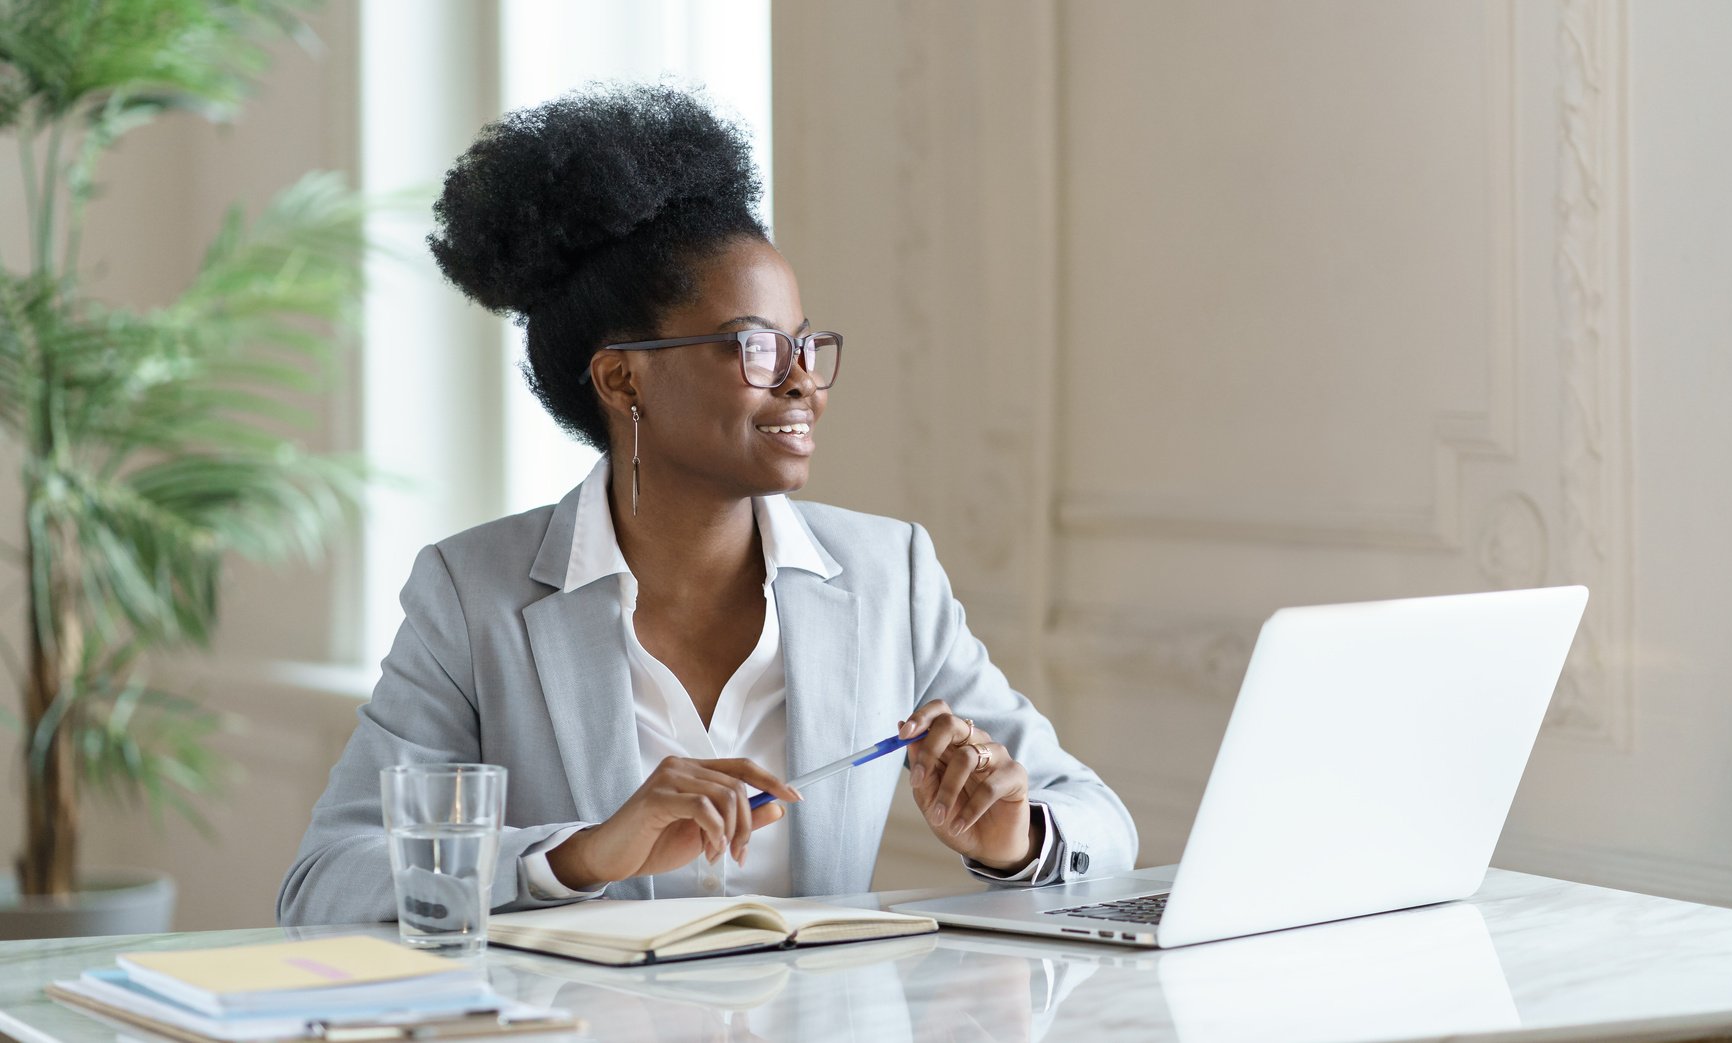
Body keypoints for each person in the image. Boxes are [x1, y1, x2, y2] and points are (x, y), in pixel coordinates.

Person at [277, 84, 1136, 923]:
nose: (802, 380)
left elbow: (1103, 822)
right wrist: (582, 854)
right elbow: (325, 885)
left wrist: (1015, 836)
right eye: (756, 347)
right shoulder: (473, 595)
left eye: (806, 343)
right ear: (622, 378)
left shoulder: (888, 575)